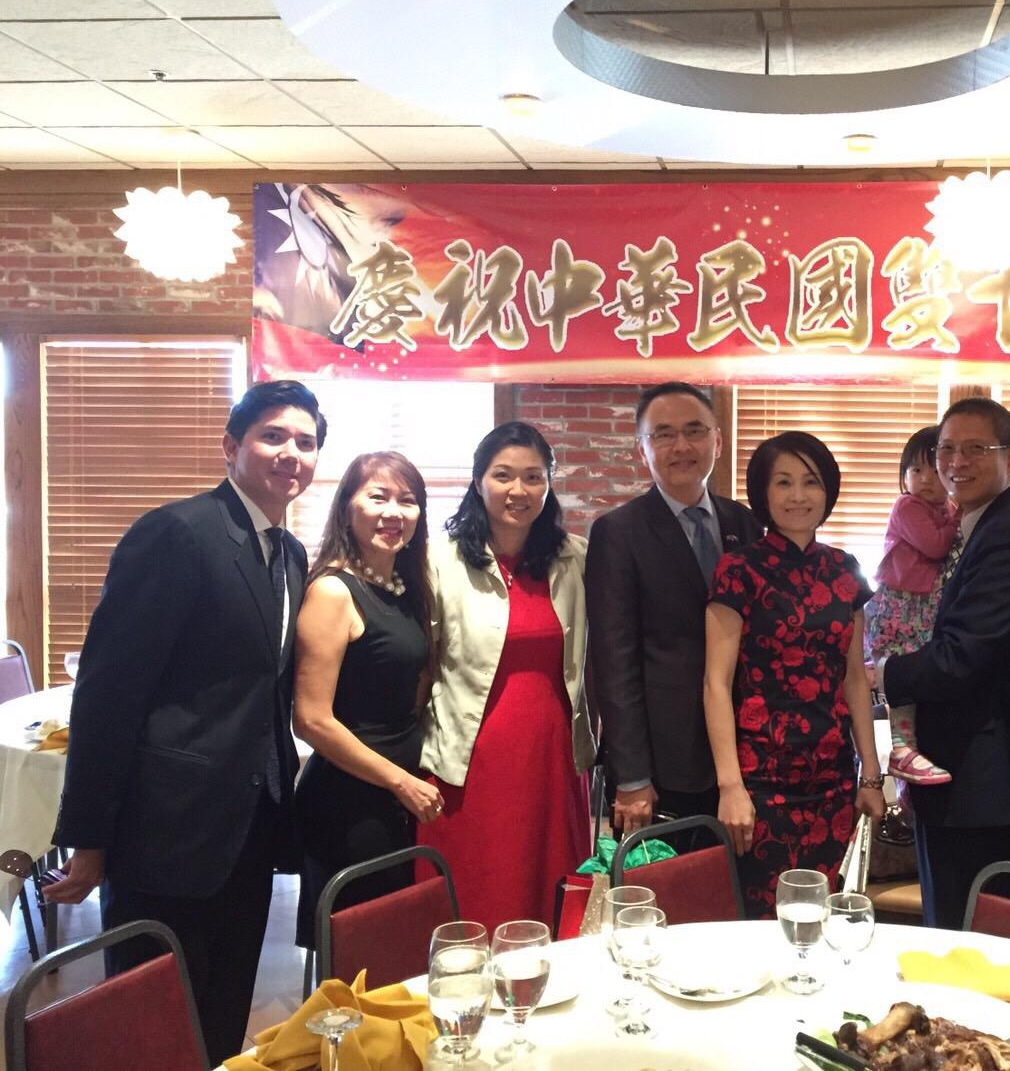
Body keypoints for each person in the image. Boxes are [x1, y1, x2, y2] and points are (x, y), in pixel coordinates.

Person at [44, 380, 326, 1065]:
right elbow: (109, 696)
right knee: (150, 1011)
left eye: (307, 442)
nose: (291, 453)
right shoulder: (175, 533)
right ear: (232, 447)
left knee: (226, 999)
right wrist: (89, 837)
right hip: (163, 826)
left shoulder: (287, 556)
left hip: (250, 825)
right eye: (273, 436)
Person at [876, 397, 1010, 929]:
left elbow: (959, 660)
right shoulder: (973, 525)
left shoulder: (1008, 537)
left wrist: (878, 674)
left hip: (982, 784)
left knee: (971, 940)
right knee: (947, 929)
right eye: (946, 448)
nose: (956, 462)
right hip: (960, 779)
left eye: (977, 449)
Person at [418, 422, 595, 931]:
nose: (519, 491)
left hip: (554, 757)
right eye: (503, 476)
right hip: (468, 760)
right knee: (473, 896)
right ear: (478, 482)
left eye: (533, 477)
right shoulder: (438, 560)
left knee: (550, 893)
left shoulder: (575, 559)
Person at [703, 431, 886, 916]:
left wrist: (870, 774)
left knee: (825, 917)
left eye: (810, 482)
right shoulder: (739, 569)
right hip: (761, 780)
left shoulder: (845, 570)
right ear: (763, 494)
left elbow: (854, 678)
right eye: (783, 483)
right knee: (763, 921)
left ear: (828, 490)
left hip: (832, 779)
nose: (798, 496)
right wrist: (730, 787)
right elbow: (716, 684)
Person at [587, 382, 762, 837]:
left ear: (717, 442)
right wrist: (632, 777)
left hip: (744, 754)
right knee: (670, 899)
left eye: (694, 431)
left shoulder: (744, 523)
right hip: (663, 766)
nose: (681, 446)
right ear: (641, 450)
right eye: (662, 434)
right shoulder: (617, 533)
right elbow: (614, 661)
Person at [292, 451, 439, 952]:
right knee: (356, 955)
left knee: (393, 947)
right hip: (350, 801)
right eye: (378, 497)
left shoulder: (404, 587)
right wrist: (401, 782)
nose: (394, 512)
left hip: (396, 794)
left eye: (408, 500)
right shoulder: (334, 591)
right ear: (347, 507)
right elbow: (311, 719)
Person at [863, 425, 958, 785]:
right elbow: (934, 545)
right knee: (901, 672)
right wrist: (958, 514)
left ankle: (907, 772)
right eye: (916, 471)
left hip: (922, 605)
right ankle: (901, 747)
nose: (926, 479)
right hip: (899, 604)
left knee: (919, 675)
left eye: (934, 469)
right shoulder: (907, 506)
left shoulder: (944, 508)